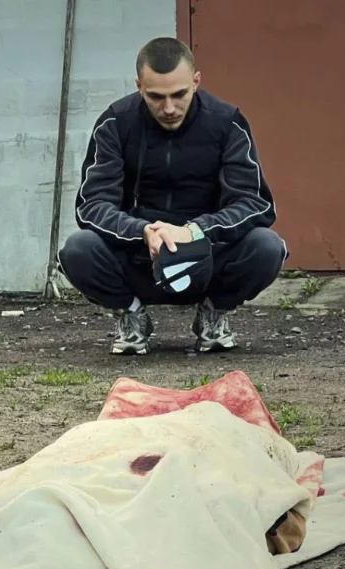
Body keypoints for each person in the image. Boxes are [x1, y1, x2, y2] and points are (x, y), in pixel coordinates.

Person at [57, 37, 289, 355]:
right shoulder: (115, 123)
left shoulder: (227, 123)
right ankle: (131, 315)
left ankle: (213, 313)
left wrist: (194, 231)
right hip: (140, 260)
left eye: (179, 94)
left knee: (267, 246)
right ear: (139, 86)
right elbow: (92, 206)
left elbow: (255, 203)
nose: (168, 108)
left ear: (196, 81)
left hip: (207, 258)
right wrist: (142, 231)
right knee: (77, 249)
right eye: (156, 96)